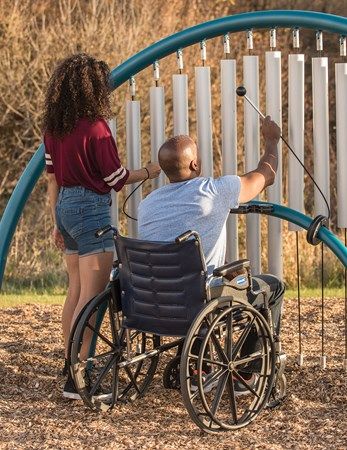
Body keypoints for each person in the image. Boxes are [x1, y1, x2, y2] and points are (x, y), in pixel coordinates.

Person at [43, 53, 161, 399]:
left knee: (76, 289)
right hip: (91, 210)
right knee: (93, 297)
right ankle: (83, 374)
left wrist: (56, 222)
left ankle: (70, 365)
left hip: (65, 207)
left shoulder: (55, 127)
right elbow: (117, 179)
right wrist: (151, 172)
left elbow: (51, 178)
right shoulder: (96, 129)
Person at [138, 116, 284, 394]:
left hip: (155, 301)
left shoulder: (147, 204)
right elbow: (266, 174)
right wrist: (272, 141)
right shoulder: (214, 191)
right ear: (195, 165)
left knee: (201, 279)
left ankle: (199, 366)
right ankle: (246, 374)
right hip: (198, 301)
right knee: (273, 287)